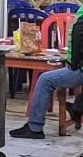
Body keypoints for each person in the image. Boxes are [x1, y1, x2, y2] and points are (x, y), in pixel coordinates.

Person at [10, 7, 83, 139]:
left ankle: (34, 127)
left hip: (79, 70)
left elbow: (78, 37)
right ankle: (76, 108)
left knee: (45, 79)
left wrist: (74, 64)